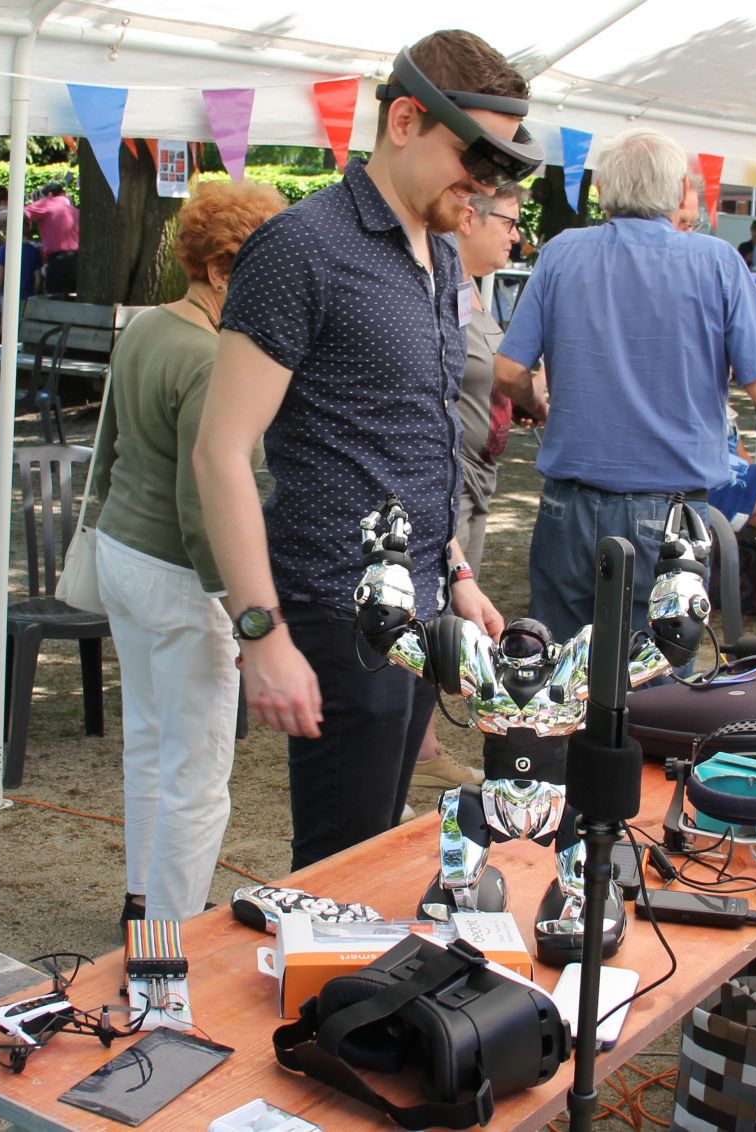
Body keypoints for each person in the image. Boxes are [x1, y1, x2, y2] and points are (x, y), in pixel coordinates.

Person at [194, 29, 524, 869]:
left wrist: (457, 574)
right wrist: (261, 634)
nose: (486, 185)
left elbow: (407, 441)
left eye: (502, 166)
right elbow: (221, 453)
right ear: (406, 119)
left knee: (377, 857)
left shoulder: (443, 257)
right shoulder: (301, 246)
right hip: (337, 611)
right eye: (474, 156)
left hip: (420, 602)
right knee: (338, 873)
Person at [494, 127, 756, 641]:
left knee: (558, 669)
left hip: (569, 505)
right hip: (669, 512)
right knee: (657, 679)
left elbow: (509, 371)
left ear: (603, 189)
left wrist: (540, 403)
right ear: (677, 191)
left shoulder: (561, 252)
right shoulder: (715, 261)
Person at [92, 179, 287, 925]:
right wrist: (244, 615)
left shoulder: (144, 327)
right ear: (215, 270)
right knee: (200, 771)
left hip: (123, 552)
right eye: (254, 269)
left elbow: (108, 450)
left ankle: (144, 904)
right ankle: (170, 938)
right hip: (179, 576)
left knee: (149, 740)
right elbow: (203, 501)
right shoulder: (211, 358)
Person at [411, 183, 529, 795]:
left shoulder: (474, 291)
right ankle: (414, 755)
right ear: (468, 218)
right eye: (509, 221)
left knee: (446, 621)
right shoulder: (438, 284)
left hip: (474, 478)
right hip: (444, 480)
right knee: (430, 618)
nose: (517, 234)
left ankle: (421, 748)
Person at [0, 181, 78, 295]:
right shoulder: (72, 209)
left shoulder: (47, 203)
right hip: (77, 259)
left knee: (57, 299)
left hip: (59, 261)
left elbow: (18, 213)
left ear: (49, 195)